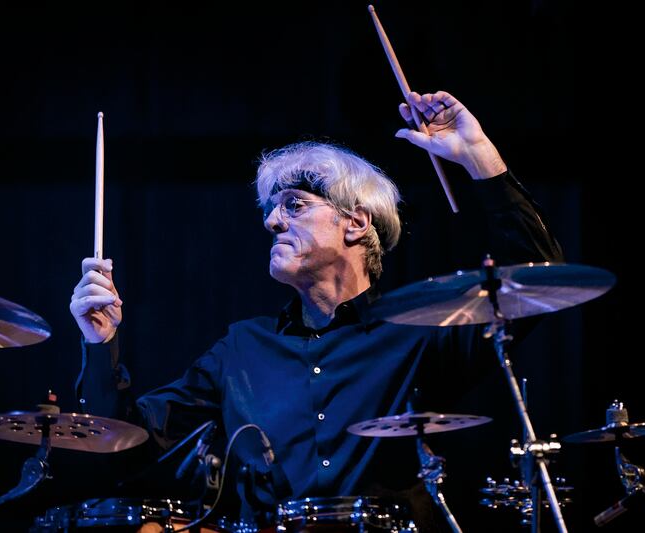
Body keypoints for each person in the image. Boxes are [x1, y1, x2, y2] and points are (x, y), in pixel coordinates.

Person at [69, 90, 563, 532]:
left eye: (294, 205)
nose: (271, 221)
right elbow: (124, 446)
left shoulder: (417, 331)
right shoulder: (241, 350)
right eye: (269, 209)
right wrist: (100, 342)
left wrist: (477, 154)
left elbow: (536, 282)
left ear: (355, 223)